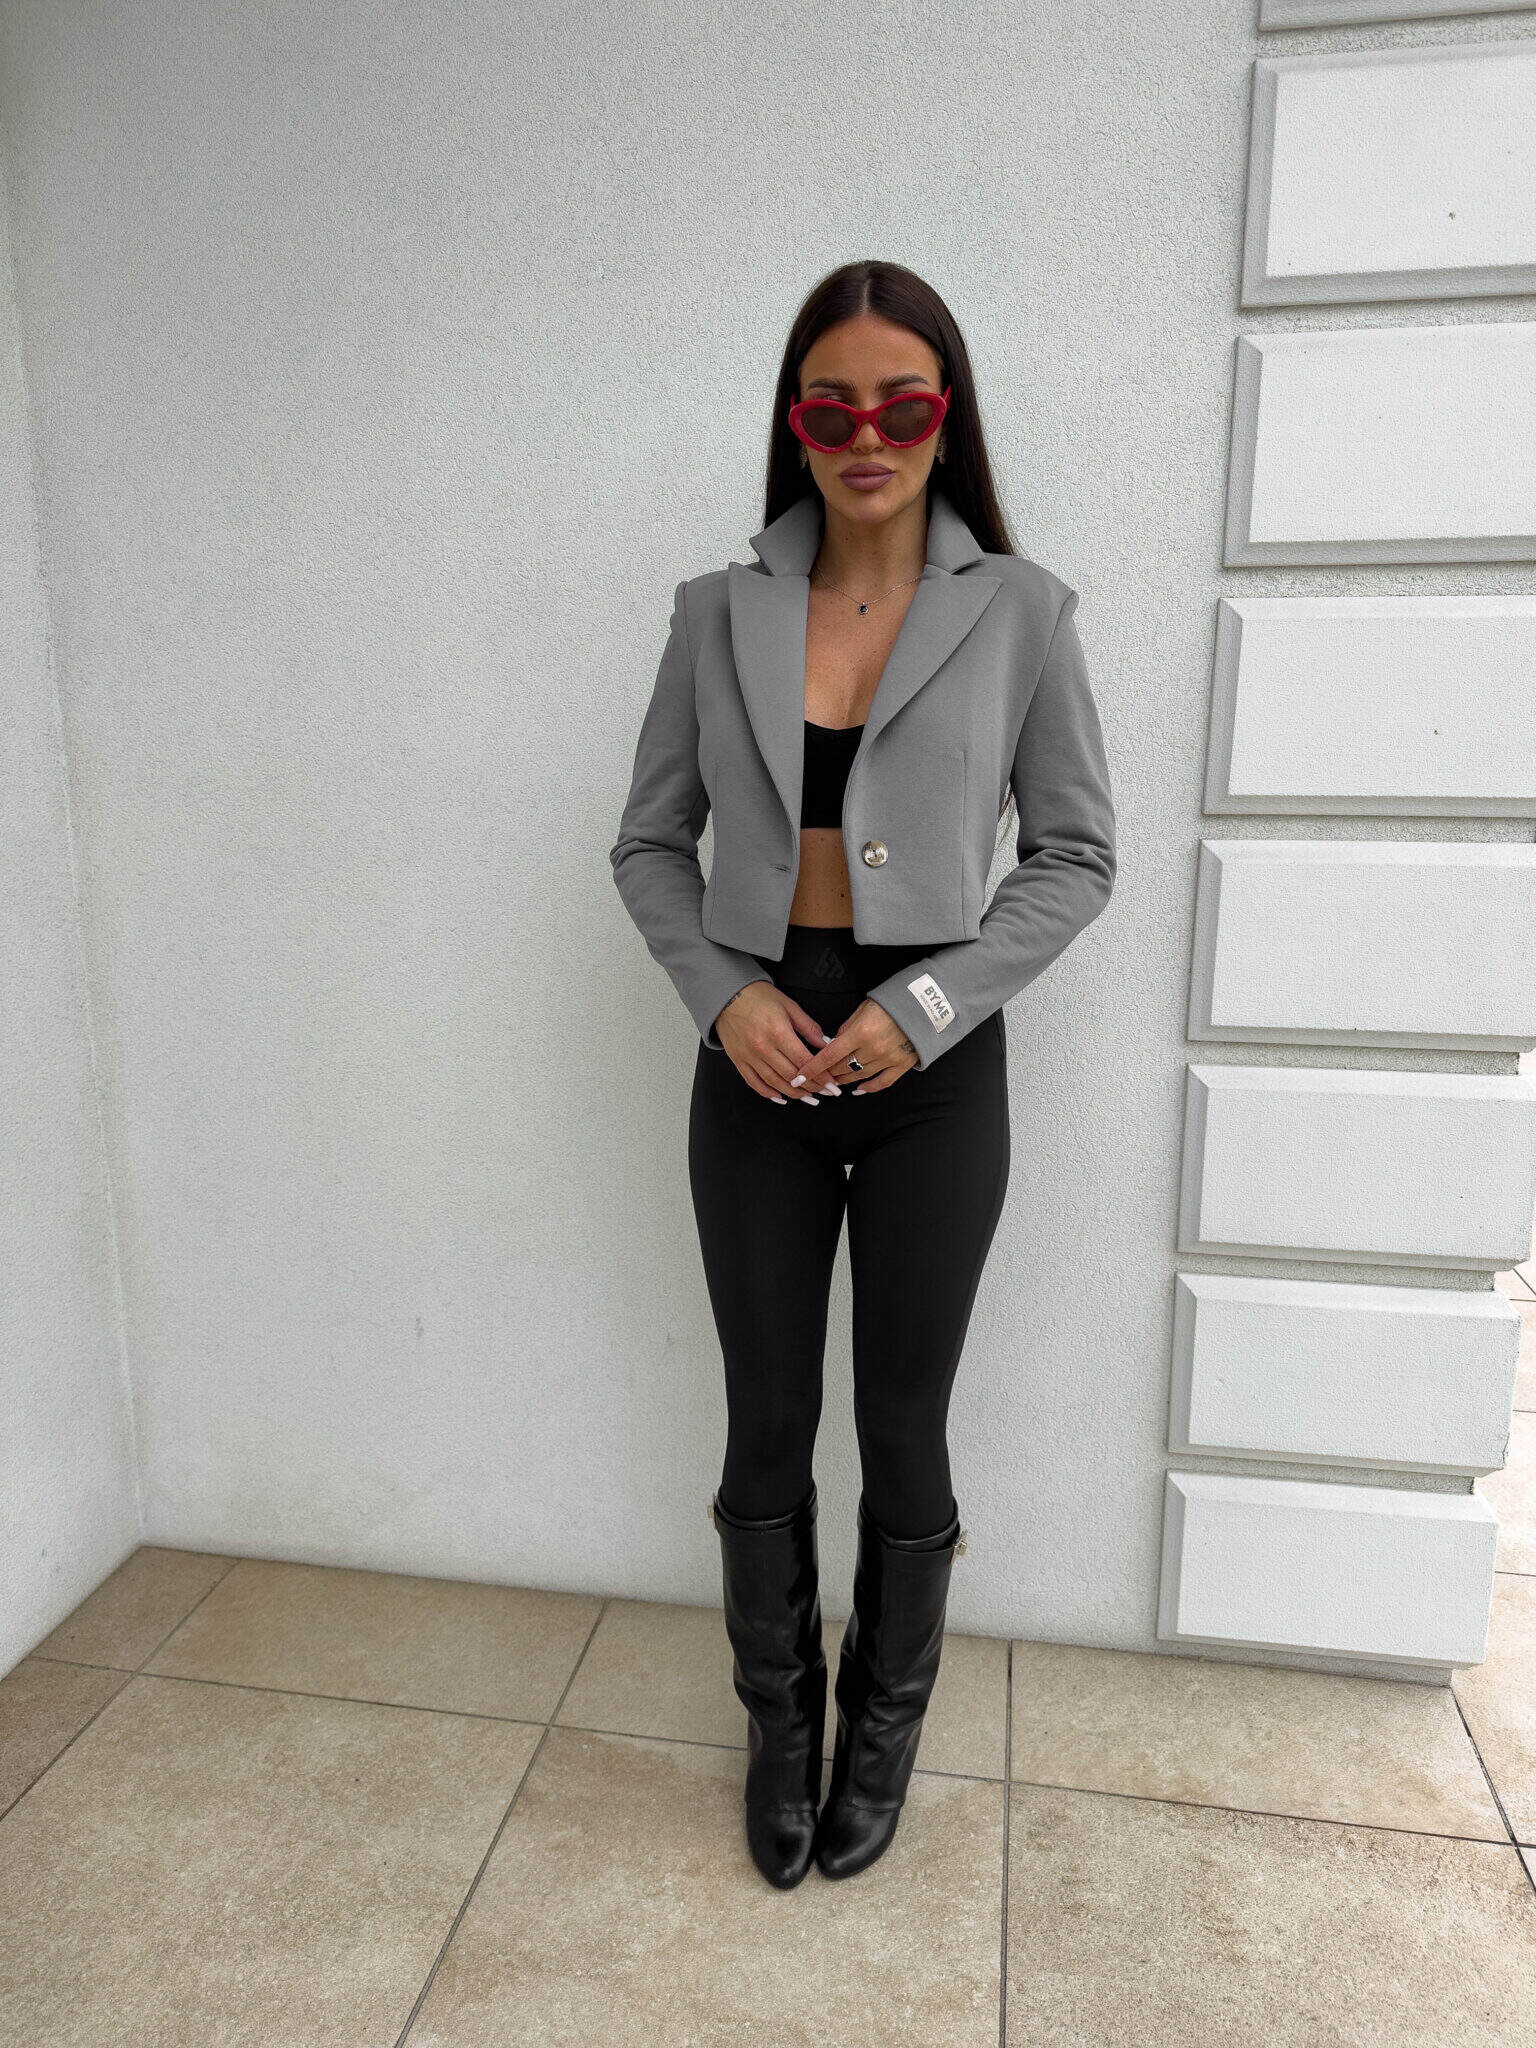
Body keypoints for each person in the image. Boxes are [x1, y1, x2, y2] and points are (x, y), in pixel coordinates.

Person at [609, 259, 1116, 1889]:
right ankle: (781, 1725)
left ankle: (880, 1728)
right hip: (755, 1060)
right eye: (833, 410)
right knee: (767, 1418)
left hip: (935, 1074)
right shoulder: (717, 611)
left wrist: (934, 1002)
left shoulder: (1023, 609)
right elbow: (649, 844)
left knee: (905, 1421)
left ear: (944, 417)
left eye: (902, 404)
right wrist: (721, 999)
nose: (869, 436)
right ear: (796, 423)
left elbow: (1076, 855)